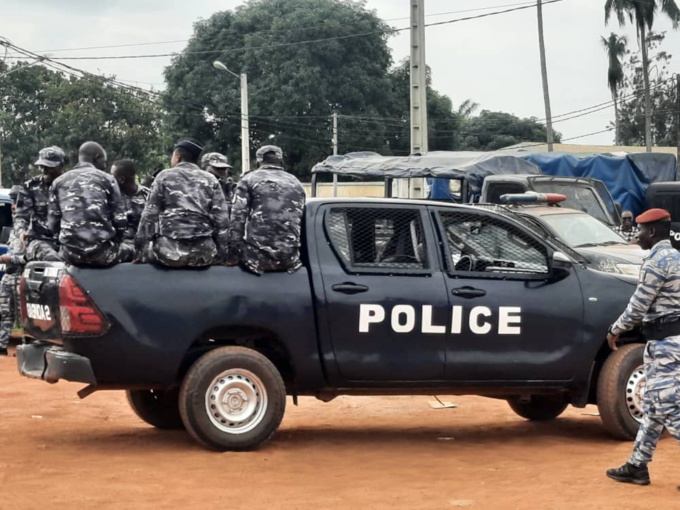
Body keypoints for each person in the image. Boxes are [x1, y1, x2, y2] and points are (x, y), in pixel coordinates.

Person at [605, 208, 680, 487]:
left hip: (665, 346)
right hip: (672, 342)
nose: (637, 235)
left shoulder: (656, 262)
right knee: (653, 407)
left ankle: (637, 466)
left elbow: (638, 307)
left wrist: (615, 330)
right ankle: (637, 466)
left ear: (653, 231)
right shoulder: (677, 257)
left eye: (641, 230)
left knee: (669, 408)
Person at [135, 138, 230, 268]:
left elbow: (149, 215)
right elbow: (222, 221)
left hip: (169, 254)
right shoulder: (211, 179)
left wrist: (141, 252)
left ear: (178, 157)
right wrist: (222, 254)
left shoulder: (164, 176)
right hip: (204, 255)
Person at [227, 145, 305, 275]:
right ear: (281, 160)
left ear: (258, 161)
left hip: (256, 260)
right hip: (290, 260)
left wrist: (233, 256)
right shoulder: (296, 183)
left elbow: (237, 219)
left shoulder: (249, 179)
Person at [48, 141, 127, 266]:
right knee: (135, 249)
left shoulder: (58, 182)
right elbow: (120, 221)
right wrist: (117, 241)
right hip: (103, 255)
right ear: (96, 157)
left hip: (69, 255)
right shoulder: (107, 179)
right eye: (104, 162)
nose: (104, 166)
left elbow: (53, 224)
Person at [14, 146, 66, 262]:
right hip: (39, 240)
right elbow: (21, 217)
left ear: (61, 166)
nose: (43, 170)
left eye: (48, 167)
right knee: (13, 269)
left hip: (67, 242)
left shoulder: (71, 186)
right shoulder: (30, 187)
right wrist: (21, 232)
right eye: (41, 166)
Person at [0, 186, 25, 356]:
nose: (13, 207)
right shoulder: (15, 230)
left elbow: (29, 256)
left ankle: (25, 347)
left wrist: (11, 259)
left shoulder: (29, 228)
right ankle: (1, 344)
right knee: (5, 312)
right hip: (8, 276)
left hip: (21, 276)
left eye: (15, 201)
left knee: (23, 315)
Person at [111, 159, 150, 262]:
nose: (110, 180)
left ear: (121, 179)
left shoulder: (148, 196)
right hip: (119, 249)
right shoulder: (111, 197)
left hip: (144, 250)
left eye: (113, 177)